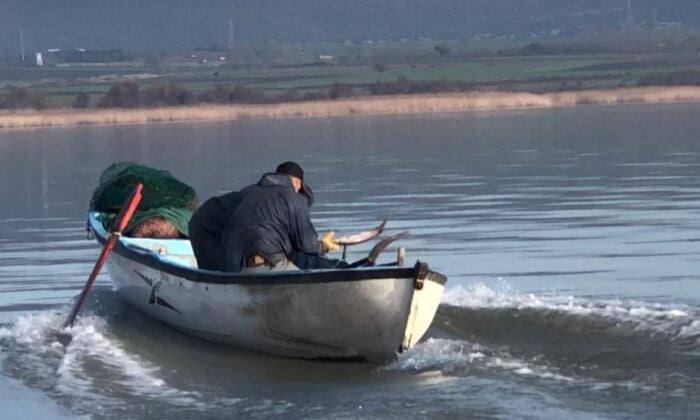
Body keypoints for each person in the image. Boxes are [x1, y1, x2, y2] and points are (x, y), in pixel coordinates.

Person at [188, 161, 340, 272]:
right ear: (297, 183)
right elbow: (307, 245)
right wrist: (322, 246)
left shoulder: (251, 192)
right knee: (308, 268)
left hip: (234, 265)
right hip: (264, 264)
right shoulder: (294, 199)